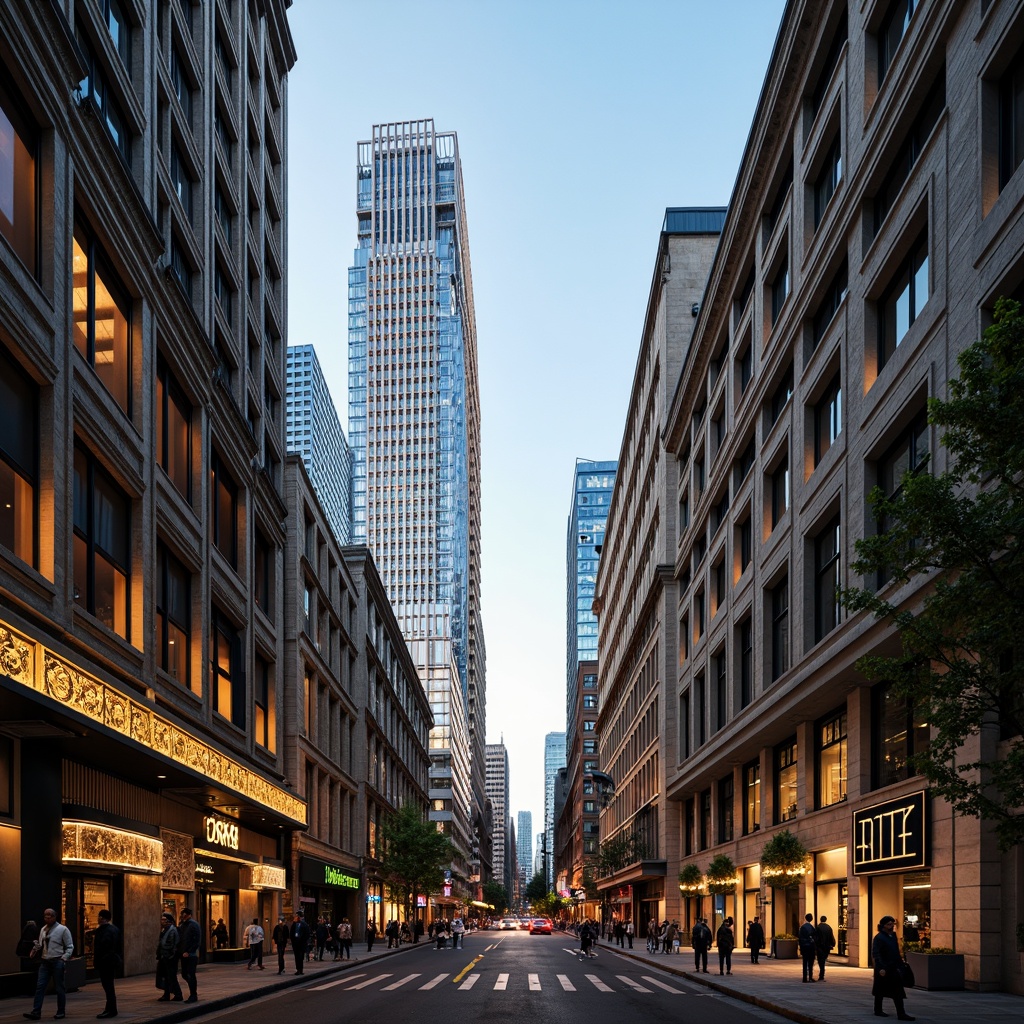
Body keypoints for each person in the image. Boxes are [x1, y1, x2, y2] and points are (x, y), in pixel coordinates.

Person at [23, 908, 74, 1021]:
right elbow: (41, 945)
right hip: (45, 961)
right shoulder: (43, 929)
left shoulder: (63, 929)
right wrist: (34, 949)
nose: (47, 917)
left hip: (57, 960)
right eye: (45, 915)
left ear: (55, 916)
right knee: (40, 986)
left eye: (50, 915)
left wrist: (63, 958)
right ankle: (36, 1011)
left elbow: (70, 946)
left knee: (59, 987)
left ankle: (61, 1011)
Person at [872, 916, 915, 1020]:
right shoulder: (879, 938)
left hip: (893, 967)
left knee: (897, 991)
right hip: (884, 968)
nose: (891, 926)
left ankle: (900, 1013)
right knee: (881, 990)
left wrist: (901, 964)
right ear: (883, 926)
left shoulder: (892, 936)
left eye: (892, 924)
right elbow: (876, 953)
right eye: (889, 924)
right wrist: (881, 967)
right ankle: (880, 1010)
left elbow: (896, 952)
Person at [92, 909, 121, 1019]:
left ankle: (111, 1010)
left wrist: (102, 960)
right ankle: (110, 1009)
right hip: (109, 962)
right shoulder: (111, 929)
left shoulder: (106, 930)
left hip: (106, 962)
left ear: (103, 918)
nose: (98, 918)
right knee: (108, 987)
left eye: (99, 916)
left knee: (108, 987)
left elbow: (106, 947)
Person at [156, 911, 183, 1003]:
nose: (162, 921)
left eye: (164, 919)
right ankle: (166, 994)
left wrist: (170, 954)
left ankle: (178, 994)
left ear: (169, 921)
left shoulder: (172, 930)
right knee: (165, 976)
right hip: (164, 956)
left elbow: (172, 944)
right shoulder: (165, 929)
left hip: (170, 957)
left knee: (171, 976)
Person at [815, 914, 836, 981]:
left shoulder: (818, 927)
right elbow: (831, 936)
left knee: (820, 961)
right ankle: (822, 974)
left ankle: (821, 974)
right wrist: (833, 944)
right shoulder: (828, 927)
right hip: (826, 947)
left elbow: (816, 938)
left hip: (820, 947)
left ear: (820, 920)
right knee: (823, 960)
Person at [798, 913, 818, 983]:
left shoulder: (802, 927)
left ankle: (804, 978)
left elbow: (800, 938)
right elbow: (815, 938)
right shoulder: (812, 927)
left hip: (805, 947)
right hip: (811, 947)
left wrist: (801, 947)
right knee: (810, 963)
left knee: (805, 962)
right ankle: (810, 977)